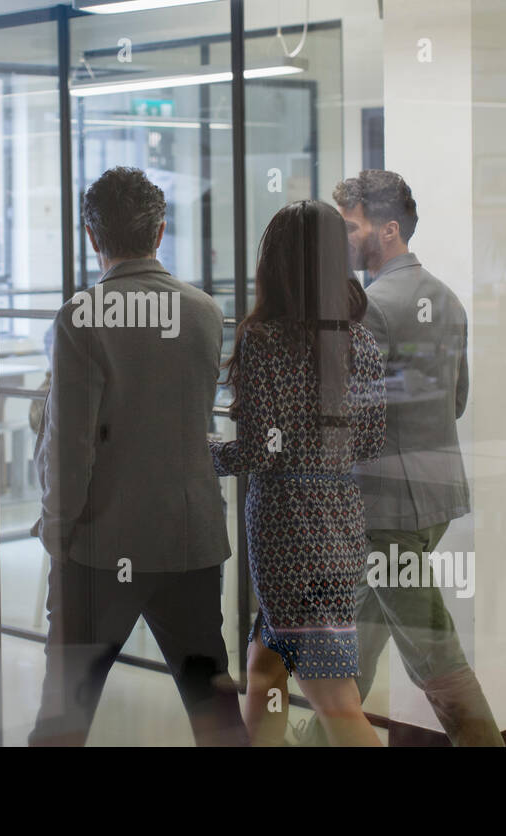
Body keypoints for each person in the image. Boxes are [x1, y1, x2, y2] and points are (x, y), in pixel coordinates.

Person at [28, 166, 247, 747]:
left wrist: (55, 531)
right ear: (160, 232)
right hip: (190, 542)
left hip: (101, 548)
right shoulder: (203, 311)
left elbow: (69, 450)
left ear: (93, 238)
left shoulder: (82, 318)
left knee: (63, 718)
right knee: (215, 710)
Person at [323, 169, 505, 746]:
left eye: (351, 227)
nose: (342, 239)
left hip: (385, 516)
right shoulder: (447, 299)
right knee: (353, 648)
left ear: (388, 230)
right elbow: (454, 399)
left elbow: (351, 416)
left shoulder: (372, 307)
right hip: (433, 500)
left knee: (434, 656)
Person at [209, 199, 386, 747]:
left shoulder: (266, 340)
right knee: (265, 671)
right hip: (340, 529)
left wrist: (208, 452)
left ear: (277, 263)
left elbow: (261, 451)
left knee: (335, 701)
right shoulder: (359, 340)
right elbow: (372, 441)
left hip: (288, 536)